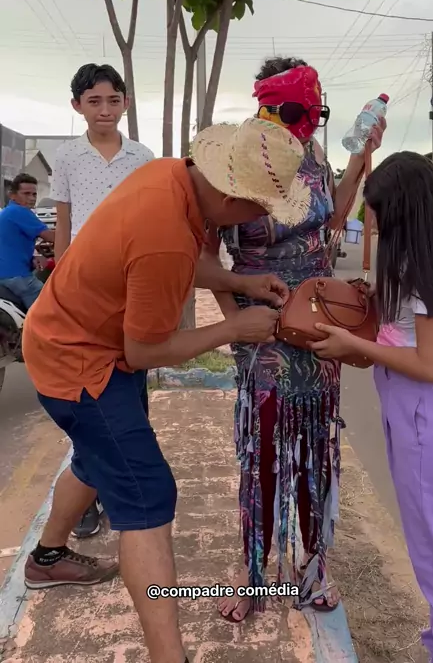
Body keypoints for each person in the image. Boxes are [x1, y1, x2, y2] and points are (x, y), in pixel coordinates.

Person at [22, 117, 307, 663]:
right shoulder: (165, 236)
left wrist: (237, 282)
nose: (260, 218)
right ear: (229, 196)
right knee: (148, 495)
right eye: (259, 207)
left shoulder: (171, 176)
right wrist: (232, 329)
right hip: (81, 364)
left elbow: (187, 262)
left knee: (100, 457)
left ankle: (48, 557)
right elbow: (144, 352)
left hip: (74, 338)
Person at [205, 57, 386, 621]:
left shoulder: (313, 156)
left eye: (315, 111)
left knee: (315, 450)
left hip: (319, 325)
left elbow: (330, 220)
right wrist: (235, 328)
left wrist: (360, 158)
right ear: (269, 106)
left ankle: (314, 562)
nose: (306, 122)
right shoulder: (233, 159)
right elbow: (203, 259)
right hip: (259, 330)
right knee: (261, 451)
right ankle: (253, 570)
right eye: (297, 111)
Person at [310, 151, 433, 663]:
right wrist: (374, 301)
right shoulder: (420, 259)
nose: (373, 222)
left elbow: (431, 364)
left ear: (406, 211)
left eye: (380, 212)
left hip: (431, 410)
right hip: (417, 410)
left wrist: (352, 343)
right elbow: (407, 331)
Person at [52, 62, 154, 539]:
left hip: (130, 288)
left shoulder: (142, 157)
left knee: (131, 386)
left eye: (113, 100)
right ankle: (86, 493)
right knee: (87, 394)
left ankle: (121, 491)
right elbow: (64, 225)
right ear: (78, 106)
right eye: (94, 101)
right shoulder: (67, 157)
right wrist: (59, 286)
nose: (105, 110)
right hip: (82, 291)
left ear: (126, 103)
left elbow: (150, 221)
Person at [0, 173, 55, 310]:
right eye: (26, 194)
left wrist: (34, 256)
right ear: (12, 195)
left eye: (34, 194)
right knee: (49, 308)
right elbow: (53, 237)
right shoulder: (20, 212)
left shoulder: (8, 212)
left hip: (6, 274)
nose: (32, 198)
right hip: (16, 276)